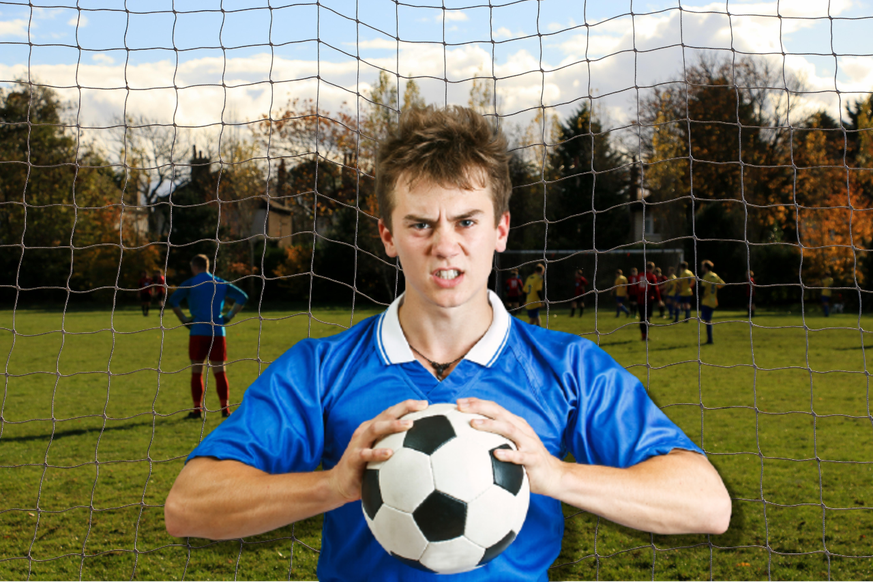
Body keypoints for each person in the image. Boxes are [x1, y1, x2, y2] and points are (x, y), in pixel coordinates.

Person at [164, 106, 731, 582]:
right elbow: (188, 504)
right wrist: (331, 486)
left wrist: (556, 476)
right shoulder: (320, 371)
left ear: (501, 230)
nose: (445, 246)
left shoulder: (568, 369)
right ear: (388, 235)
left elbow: (707, 503)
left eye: (466, 222)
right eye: (420, 225)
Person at [168, 254, 248, 419]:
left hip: (198, 331)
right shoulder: (219, 282)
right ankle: (225, 409)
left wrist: (184, 319)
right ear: (208, 266)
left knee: (197, 371)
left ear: (194, 267)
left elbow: (173, 300)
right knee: (220, 371)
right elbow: (242, 297)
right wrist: (229, 315)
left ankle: (197, 410)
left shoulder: (191, 283)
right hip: (218, 332)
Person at [700, 260, 725, 345]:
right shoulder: (715, 275)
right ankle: (709, 339)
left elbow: (702, 288)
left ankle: (710, 340)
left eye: (702, 266)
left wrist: (702, 295)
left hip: (706, 300)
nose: (702, 268)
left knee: (708, 320)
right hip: (713, 300)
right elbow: (722, 284)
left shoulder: (706, 276)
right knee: (708, 320)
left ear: (706, 268)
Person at [638, 261, 662, 341]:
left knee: (642, 318)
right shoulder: (651, 276)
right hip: (647, 300)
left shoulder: (640, 275)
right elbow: (655, 288)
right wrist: (659, 300)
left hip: (639, 299)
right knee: (647, 318)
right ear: (652, 268)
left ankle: (643, 335)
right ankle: (645, 336)